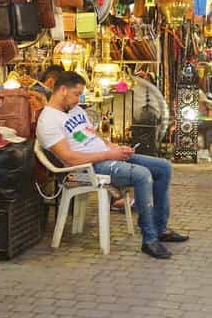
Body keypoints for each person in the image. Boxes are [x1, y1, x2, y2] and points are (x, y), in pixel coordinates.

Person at [36, 71, 188, 259]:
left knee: (163, 167)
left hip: (106, 156)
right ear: (63, 90)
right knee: (142, 176)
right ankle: (149, 239)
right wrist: (109, 153)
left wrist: (114, 147)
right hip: (88, 168)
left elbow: (90, 136)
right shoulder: (48, 120)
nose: (78, 99)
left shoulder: (74, 110)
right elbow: (70, 158)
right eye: (76, 94)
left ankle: (160, 228)